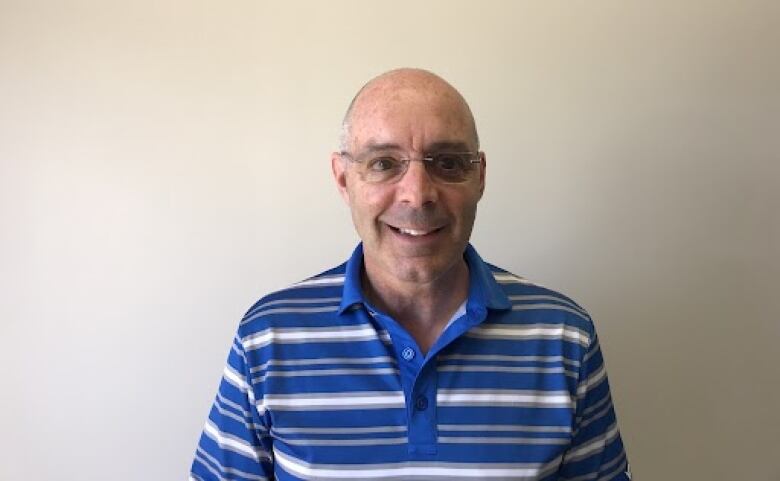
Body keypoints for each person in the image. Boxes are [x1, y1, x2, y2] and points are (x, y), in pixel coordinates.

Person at [190, 68, 630, 481]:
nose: (418, 195)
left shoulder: (563, 336)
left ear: (479, 177)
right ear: (343, 179)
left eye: (448, 162)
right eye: (383, 163)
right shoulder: (268, 338)